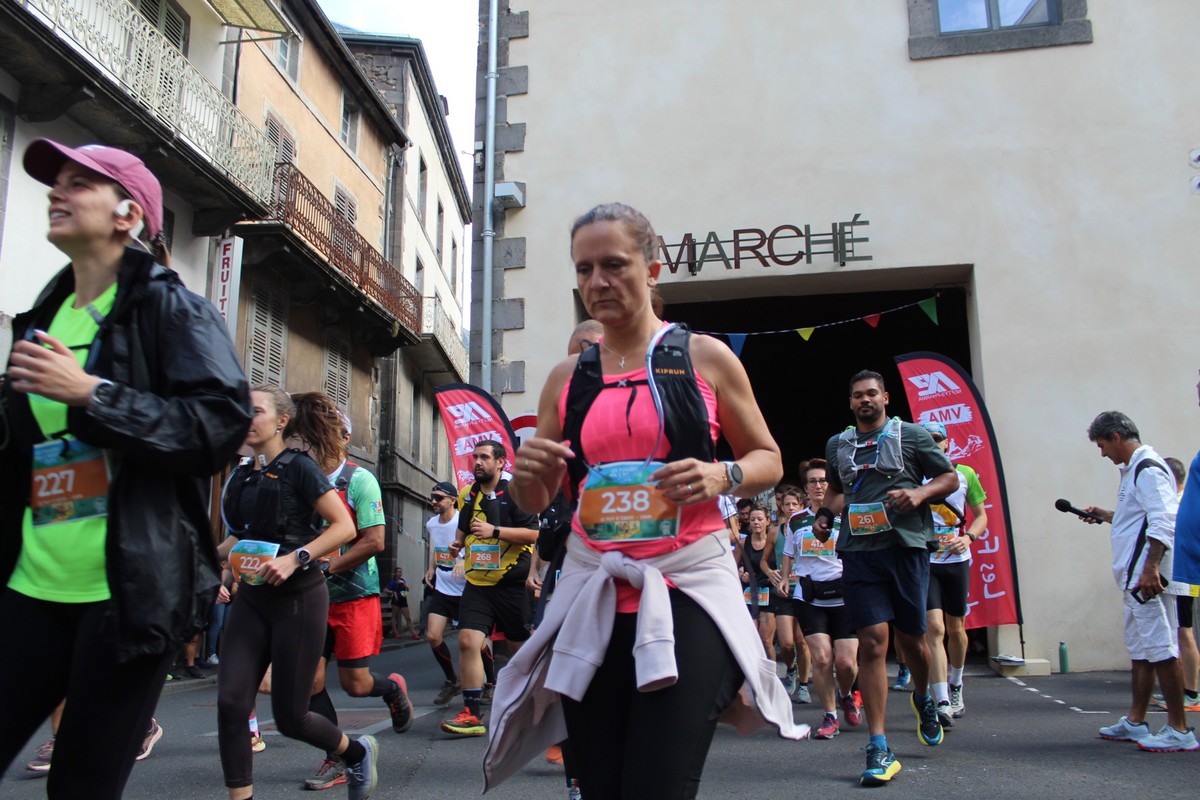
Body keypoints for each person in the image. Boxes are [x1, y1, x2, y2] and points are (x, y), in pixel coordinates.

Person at [488, 202, 807, 798]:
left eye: (614, 264)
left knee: (656, 784)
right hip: (593, 589)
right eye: (584, 269)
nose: (597, 282)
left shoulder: (704, 356)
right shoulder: (566, 377)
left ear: (653, 269)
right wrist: (527, 474)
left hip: (687, 585)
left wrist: (722, 474)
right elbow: (534, 499)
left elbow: (769, 458)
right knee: (600, 784)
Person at [0, 139, 251, 798]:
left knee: (80, 785)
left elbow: (218, 426)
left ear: (128, 215)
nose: (57, 192)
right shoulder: (43, 314)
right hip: (31, 580)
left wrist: (94, 395)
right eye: (56, 181)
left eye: (79, 182)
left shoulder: (173, 308)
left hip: (129, 592)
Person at [215, 386, 380, 799]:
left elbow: (343, 527)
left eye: (256, 411)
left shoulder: (301, 468)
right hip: (252, 598)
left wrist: (296, 558)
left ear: (281, 421)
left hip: (298, 598)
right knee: (232, 703)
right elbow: (240, 538)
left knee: (291, 717)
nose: (246, 417)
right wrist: (204, 559)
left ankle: (355, 752)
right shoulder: (243, 474)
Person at [815, 369, 958, 786]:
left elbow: (948, 477)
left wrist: (919, 493)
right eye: (858, 395)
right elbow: (837, 491)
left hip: (906, 549)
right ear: (850, 402)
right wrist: (825, 515)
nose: (865, 400)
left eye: (872, 393)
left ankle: (923, 697)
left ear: (885, 398)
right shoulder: (838, 444)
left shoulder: (912, 436)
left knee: (912, 640)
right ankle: (878, 745)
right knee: (873, 641)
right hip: (859, 553)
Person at [294, 395, 412, 792]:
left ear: (343, 438)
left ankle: (391, 689)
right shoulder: (302, 478)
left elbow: (375, 541)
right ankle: (338, 756)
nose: (312, 443)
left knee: (356, 685)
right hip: (311, 597)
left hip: (353, 596)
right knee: (310, 682)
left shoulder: (359, 480)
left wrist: (328, 565)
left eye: (321, 434)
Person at [1080, 411, 1197, 752]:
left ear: (1116, 437)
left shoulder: (1147, 468)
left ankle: (1179, 729)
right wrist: (1108, 516)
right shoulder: (1136, 469)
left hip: (1147, 579)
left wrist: (1150, 568)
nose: (1103, 453)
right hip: (1137, 578)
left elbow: (1164, 520)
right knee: (1142, 650)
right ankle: (1135, 721)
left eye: (1102, 446)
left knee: (1161, 648)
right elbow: (1140, 518)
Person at [441, 440, 540, 737]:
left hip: (511, 585)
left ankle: (535, 707)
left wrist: (494, 531)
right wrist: (458, 542)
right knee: (468, 641)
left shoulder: (516, 492)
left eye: (484, 457)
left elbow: (534, 534)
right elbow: (464, 525)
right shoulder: (468, 494)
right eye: (474, 457)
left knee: (519, 650)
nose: (477, 462)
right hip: (478, 585)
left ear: (500, 462)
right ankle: (472, 713)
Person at [776, 459, 860, 739]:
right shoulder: (796, 520)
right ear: (806, 488)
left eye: (823, 480)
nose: (818, 486)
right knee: (822, 659)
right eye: (812, 481)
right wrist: (785, 578)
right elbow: (789, 553)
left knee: (846, 663)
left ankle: (846, 694)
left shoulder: (845, 514)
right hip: (810, 596)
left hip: (844, 595)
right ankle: (830, 715)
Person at [919, 420, 988, 726]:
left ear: (946, 443)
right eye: (926, 438)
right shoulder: (914, 475)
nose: (932, 443)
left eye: (937, 438)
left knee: (956, 628)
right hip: (926, 561)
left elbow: (981, 516)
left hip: (957, 560)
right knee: (934, 628)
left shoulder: (965, 473)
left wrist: (968, 537)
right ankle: (942, 700)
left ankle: (956, 684)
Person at [424, 481, 470, 706]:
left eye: (438, 498)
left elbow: (477, 545)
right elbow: (438, 547)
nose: (433, 501)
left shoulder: (463, 521)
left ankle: (489, 683)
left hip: (465, 588)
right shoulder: (431, 524)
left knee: (471, 641)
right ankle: (452, 680)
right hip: (443, 586)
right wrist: (431, 568)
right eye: (432, 497)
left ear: (453, 500)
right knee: (433, 636)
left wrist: (464, 560)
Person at [387, 568, 418, 639]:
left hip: (403, 600)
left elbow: (407, 589)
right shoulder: (393, 582)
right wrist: (393, 592)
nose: (399, 573)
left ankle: (413, 633)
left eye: (400, 572)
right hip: (396, 600)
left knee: (408, 618)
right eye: (398, 572)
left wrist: (403, 584)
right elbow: (386, 589)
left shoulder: (403, 581)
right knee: (394, 616)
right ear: (395, 573)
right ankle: (395, 633)